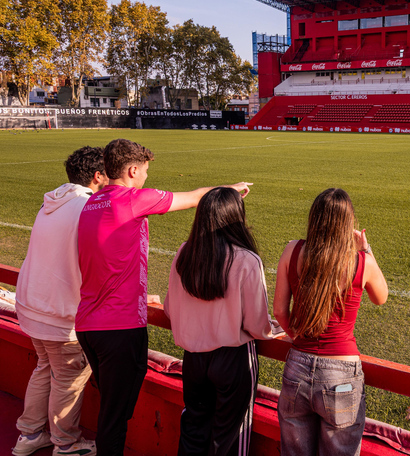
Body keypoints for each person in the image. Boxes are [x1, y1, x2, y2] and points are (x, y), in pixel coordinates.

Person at [75, 138, 252, 456]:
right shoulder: (133, 199)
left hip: (89, 324)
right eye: (144, 171)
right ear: (132, 170)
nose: (146, 177)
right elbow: (196, 198)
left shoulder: (92, 202)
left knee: (111, 409)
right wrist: (231, 189)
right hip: (119, 328)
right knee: (115, 417)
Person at [164, 187, 284, 456]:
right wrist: (274, 328)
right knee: (230, 440)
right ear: (237, 218)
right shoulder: (246, 259)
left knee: (193, 431)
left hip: (193, 359)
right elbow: (257, 325)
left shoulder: (184, 252)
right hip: (233, 360)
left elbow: (170, 309)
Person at [273, 188, 388, 456]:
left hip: (297, 367)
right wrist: (366, 249)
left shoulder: (292, 250)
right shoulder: (362, 262)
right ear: (349, 223)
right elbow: (381, 297)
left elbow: (279, 310)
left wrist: (296, 336)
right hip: (342, 373)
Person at [13, 146, 107, 456]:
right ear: (98, 176)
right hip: (60, 314)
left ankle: (30, 435)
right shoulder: (88, 207)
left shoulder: (52, 202)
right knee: (68, 378)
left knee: (45, 368)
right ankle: (65, 444)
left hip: (33, 306)